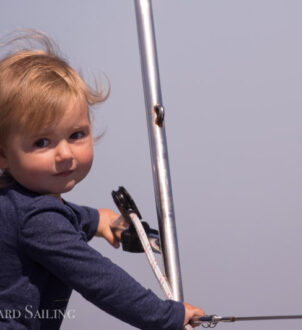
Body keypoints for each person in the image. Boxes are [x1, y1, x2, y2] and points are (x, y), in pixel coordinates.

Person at [0, 31, 204, 330]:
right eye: (43, 142)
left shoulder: (18, 204)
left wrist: (98, 220)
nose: (64, 154)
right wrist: (164, 316)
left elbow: (65, 216)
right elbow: (100, 281)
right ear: (3, 155)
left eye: (76, 135)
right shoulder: (37, 220)